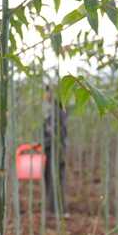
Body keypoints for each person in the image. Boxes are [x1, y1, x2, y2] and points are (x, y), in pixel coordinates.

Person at [43, 86, 67, 216]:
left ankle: (58, 209)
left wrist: (45, 142)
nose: (45, 96)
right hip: (50, 150)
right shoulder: (51, 112)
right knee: (49, 177)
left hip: (56, 151)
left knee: (55, 178)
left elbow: (57, 135)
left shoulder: (58, 112)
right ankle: (52, 207)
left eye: (47, 93)